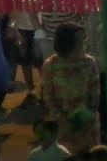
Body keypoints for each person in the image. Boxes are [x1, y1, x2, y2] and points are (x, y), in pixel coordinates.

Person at [41, 23, 101, 155]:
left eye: (83, 39)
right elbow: (48, 96)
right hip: (62, 127)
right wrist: (63, 119)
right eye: (79, 40)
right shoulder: (50, 65)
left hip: (88, 125)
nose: (83, 43)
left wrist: (84, 115)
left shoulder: (89, 62)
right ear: (67, 43)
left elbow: (95, 93)